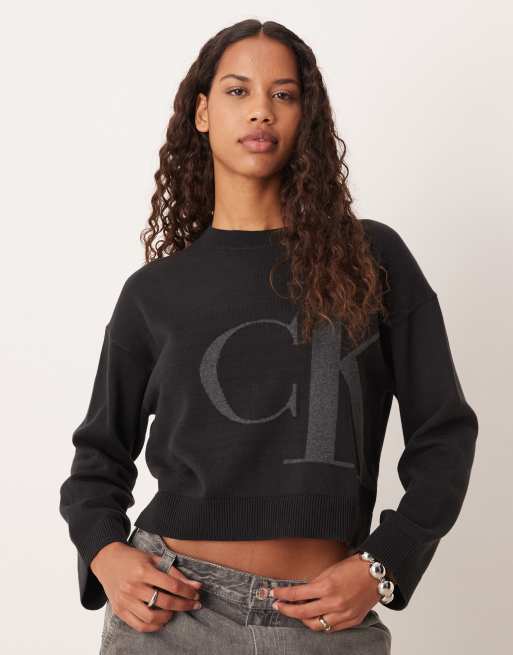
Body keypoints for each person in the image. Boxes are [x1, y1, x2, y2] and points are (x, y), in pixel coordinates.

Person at [59, 18, 478, 655]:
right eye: (238, 91)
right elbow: (97, 457)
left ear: (305, 116)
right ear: (202, 113)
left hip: (324, 620)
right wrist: (105, 554)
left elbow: (444, 433)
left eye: (283, 94)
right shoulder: (154, 292)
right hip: (172, 615)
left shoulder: (371, 259)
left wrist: (384, 563)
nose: (261, 110)